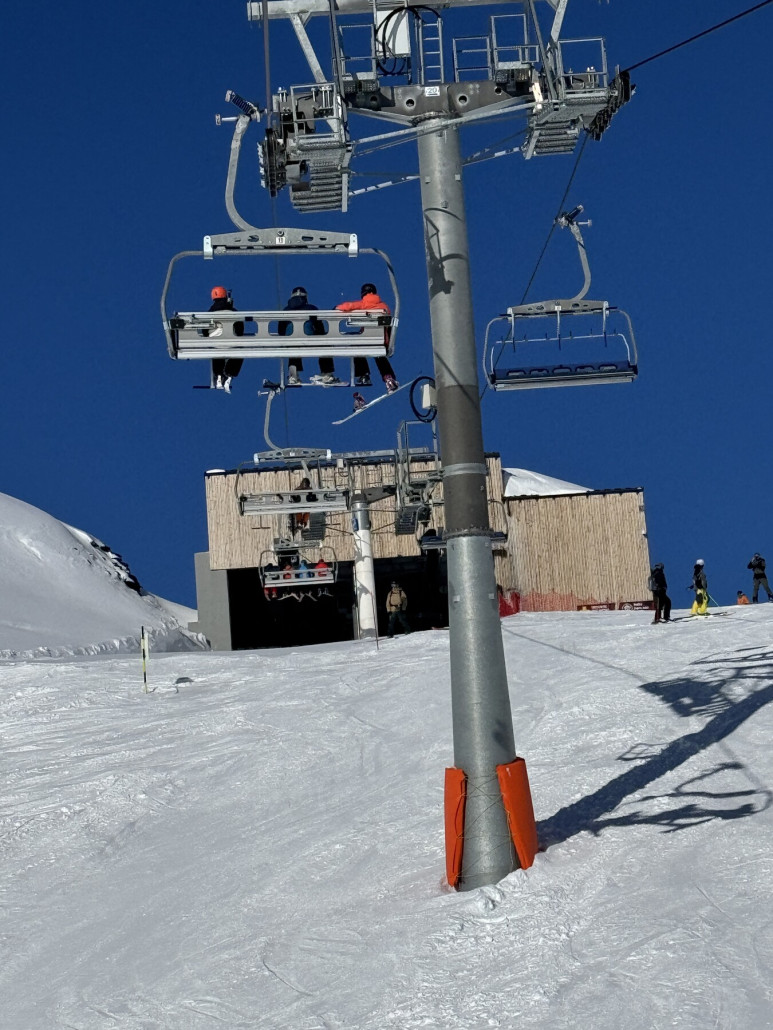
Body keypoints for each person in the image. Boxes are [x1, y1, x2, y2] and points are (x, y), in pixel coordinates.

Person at [335, 283, 399, 393]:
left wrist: (336, 308)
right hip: (381, 340)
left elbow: (348, 306)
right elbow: (389, 323)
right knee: (380, 355)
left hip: (367, 340)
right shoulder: (384, 306)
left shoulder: (363, 304)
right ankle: (388, 378)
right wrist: (388, 344)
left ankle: (363, 375)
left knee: (356, 347)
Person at [278, 286, 339, 386]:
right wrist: (320, 336)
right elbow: (319, 327)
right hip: (308, 337)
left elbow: (281, 330)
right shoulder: (311, 308)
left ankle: (293, 375)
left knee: (293, 348)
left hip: (290, 339)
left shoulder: (286, 310)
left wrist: (284, 337)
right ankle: (326, 373)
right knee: (325, 346)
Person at [207, 286, 244, 392]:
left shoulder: (209, 313)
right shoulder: (233, 312)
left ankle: (218, 376)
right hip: (231, 342)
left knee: (217, 350)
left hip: (215, 343)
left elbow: (204, 330)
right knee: (240, 352)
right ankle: (229, 374)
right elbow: (240, 328)